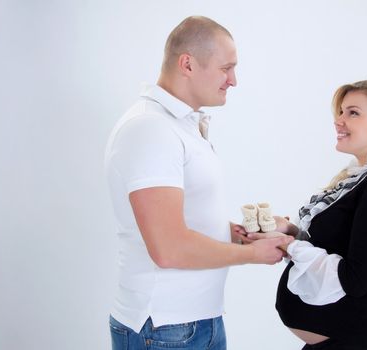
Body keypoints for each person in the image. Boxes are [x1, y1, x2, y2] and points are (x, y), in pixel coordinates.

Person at [104, 16, 292, 350]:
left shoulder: (178, 125)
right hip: (164, 329)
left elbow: (182, 218)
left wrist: (230, 233)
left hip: (193, 322)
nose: (233, 80)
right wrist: (251, 254)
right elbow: (169, 247)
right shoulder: (151, 128)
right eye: (226, 68)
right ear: (187, 64)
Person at [245, 77, 367, 349]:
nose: (339, 120)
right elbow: (336, 246)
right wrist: (290, 231)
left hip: (365, 342)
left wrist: (290, 246)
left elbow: (356, 279)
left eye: (353, 113)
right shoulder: (357, 180)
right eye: (340, 112)